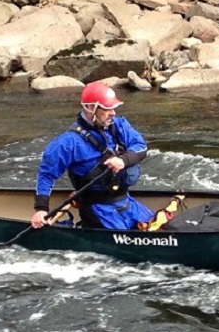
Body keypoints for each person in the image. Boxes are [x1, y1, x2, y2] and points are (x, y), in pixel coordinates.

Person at [31, 81, 154, 230]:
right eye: (108, 108)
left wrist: (123, 160)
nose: (113, 113)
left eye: (114, 108)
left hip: (126, 203)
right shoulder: (68, 142)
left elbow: (141, 147)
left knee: (158, 226)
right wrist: (41, 209)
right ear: (90, 108)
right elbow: (47, 175)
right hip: (98, 209)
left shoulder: (120, 125)